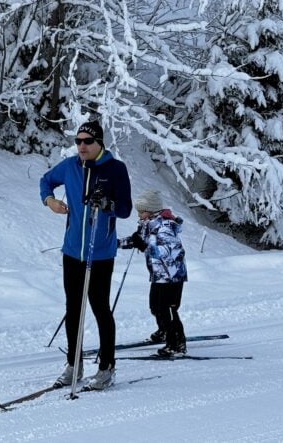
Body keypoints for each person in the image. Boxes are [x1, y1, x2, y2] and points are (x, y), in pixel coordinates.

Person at [40, 120, 132, 390]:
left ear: (99, 143)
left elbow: (125, 209)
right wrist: (50, 201)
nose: (81, 146)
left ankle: (106, 368)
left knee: (100, 309)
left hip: (101, 252)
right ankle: (74, 365)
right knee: (73, 309)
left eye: (87, 141)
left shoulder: (115, 169)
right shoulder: (69, 166)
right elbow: (46, 181)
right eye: (78, 141)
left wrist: (107, 204)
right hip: (72, 251)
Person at [122, 189, 189, 357]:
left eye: (141, 211)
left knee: (167, 308)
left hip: (172, 275)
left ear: (151, 210)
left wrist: (144, 247)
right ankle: (164, 331)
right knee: (155, 306)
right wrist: (113, 244)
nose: (139, 214)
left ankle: (176, 343)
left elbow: (170, 250)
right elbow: (138, 240)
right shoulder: (148, 225)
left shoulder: (165, 226)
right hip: (160, 275)